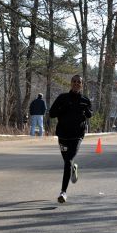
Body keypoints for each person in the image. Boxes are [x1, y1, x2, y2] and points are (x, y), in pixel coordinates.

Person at [49, 74, 92, 203]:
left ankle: (63, 192)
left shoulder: (85, 100)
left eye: (79, 82)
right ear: (71, 83)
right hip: (63, 135)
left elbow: (90, 113)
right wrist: (62, 109)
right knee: (67, 161)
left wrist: (88, 113)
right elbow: (51, 114)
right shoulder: (62, 98)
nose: (76, 84)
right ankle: (73, 169)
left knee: (68, 161)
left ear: (82, 85)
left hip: (77, 136)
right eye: (74, 81)